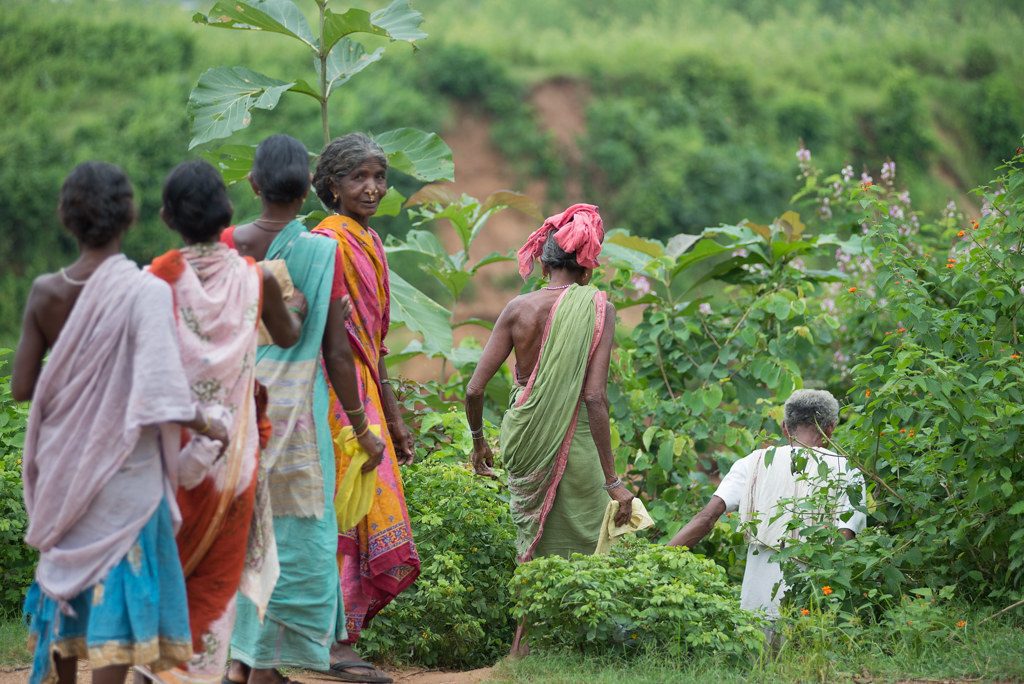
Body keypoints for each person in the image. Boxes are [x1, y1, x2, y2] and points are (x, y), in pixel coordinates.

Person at [12, 161, 227, 684]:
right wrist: (212, 424)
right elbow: (162, 398)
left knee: (66, 589)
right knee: (121, 603)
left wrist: (80, 393)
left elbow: (22, 388)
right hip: (124, 474)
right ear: (130, 217)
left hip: (64, 466)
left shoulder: (45, 291)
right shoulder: (144, 292)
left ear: (66, 218)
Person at [222, 135, 385, 684]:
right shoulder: (321, 252)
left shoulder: (227, 243)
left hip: (233, 409)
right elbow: (337, 354)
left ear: (254, 185)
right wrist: (363, 426)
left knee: (243, 533)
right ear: (310, 188)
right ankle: (262, 666)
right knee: (295, 540)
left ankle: (242, 660)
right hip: (295, 415)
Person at [145, 159, 304, 684]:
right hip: (231, 463)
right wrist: (294, 303)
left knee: (165, 568)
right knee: (216, 584)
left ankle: (154, 668)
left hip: (166, 460)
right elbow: (286, 335)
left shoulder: (158, 278)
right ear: (227, 212)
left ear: (169, 216)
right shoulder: (254, 277)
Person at [465, 204, 634, 564]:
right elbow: (593, 396)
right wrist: (613, 481)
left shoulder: (517, 308)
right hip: (581, 445)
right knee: (586, 557)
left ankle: (526, 618)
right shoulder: (599, 307)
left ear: (543, 265)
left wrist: (479, 443)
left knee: (533, 551)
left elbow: (474, 390)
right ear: (587, 273)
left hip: (525, 439)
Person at [310, 133, 419, 683]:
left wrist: (394, 418)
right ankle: (331, 644)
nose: (373, 187)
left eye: (379, 176)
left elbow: (373, 347)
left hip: (366, 398)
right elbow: (328, 338)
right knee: (344, 514)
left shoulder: (370, 242)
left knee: (364, 511)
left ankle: (339, 635)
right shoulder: (326, 242)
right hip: (333, 400)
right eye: (359, 177)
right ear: (333, 186)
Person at [668, 389, 867, 620]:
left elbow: (706, 518)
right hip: (814, 609)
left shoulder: (752, 463)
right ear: (830, 428)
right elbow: (845, 537)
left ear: (784, 427)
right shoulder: (846, 470)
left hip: (754, 614)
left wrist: (654, 561)